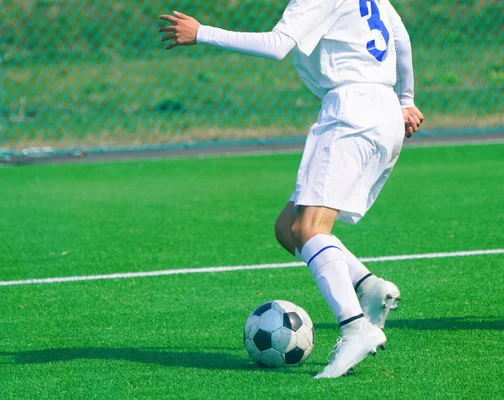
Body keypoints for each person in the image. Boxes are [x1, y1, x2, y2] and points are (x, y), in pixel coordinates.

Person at [159, 0, 424, 379]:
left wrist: (202, 33)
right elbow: (401, 39)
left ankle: (355, 328)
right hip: (379, 108)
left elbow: (278, 44)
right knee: (289, 228)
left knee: (310, 230)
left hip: (352, 110)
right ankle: (369, 287)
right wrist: (406, 99)